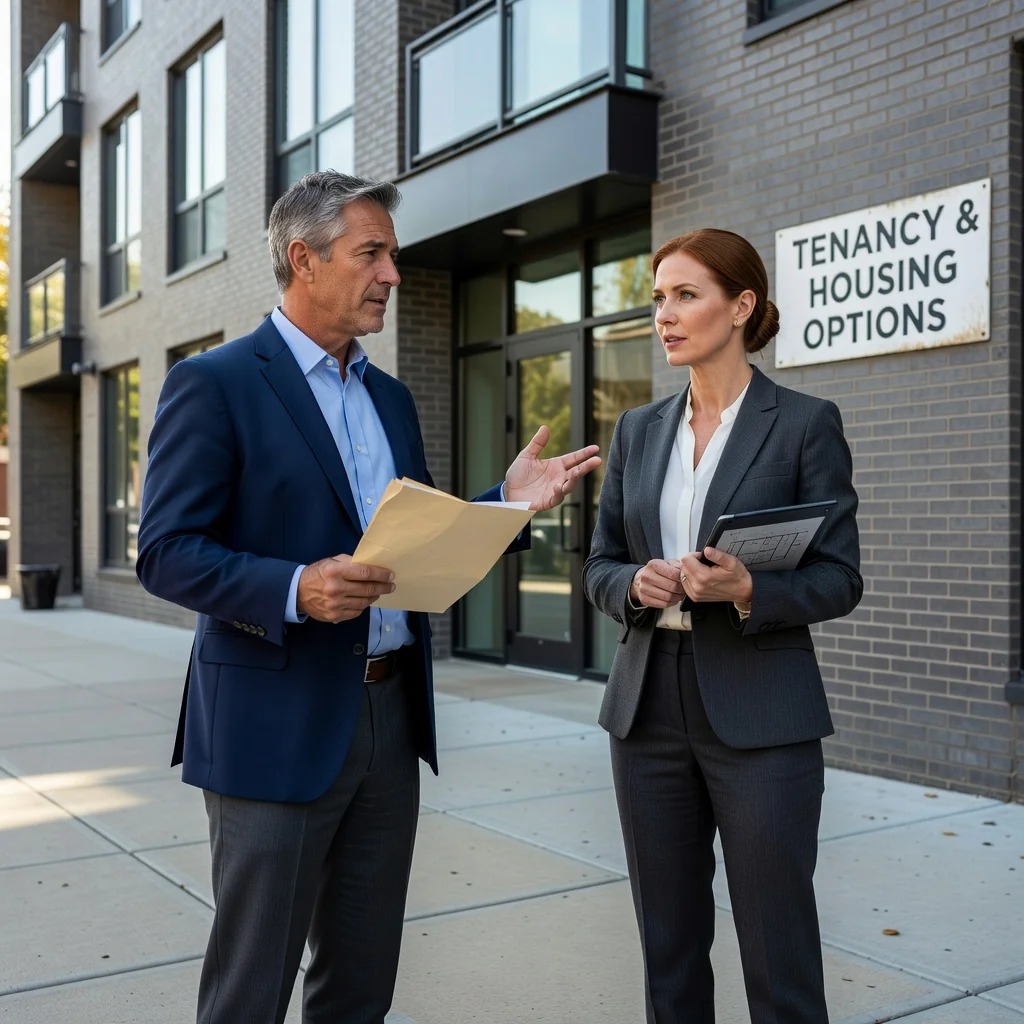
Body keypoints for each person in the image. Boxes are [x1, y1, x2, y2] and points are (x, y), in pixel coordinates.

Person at [136, 171, 601, 1024]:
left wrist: (504, 503)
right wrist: (294, 587)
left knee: (360, 982)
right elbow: (165, 553)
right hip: (271, 728)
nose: (392, 275)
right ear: (303, 259)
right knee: (251, 987)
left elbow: (413, 532)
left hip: (390, 724)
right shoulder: (215, 383)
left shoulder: (389, 396)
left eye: (393, 255)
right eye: (372, 254)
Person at [583, 228, 862, 1024]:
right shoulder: (638, 429)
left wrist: (748, 590)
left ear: (741, 307)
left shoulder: (806, 423)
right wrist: (634, 583)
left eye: (685, 295)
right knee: (667, 944)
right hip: (646, 711)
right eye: (657, 299)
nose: (664, 315)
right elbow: (598, 562)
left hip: (762, 706)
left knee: (779, 943)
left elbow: (841, 577)